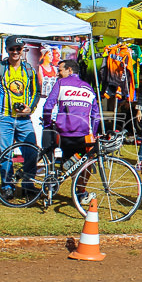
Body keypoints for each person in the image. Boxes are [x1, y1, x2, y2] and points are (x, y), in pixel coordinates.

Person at [0, 36, 40, 196]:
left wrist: (30, 108)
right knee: (5, 153)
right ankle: (8, 187)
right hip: (4, 118)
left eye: (18, 49)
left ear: (23, 50)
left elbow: (36, 92)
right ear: (7, 50)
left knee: (31, 152)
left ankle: (28, 185)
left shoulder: (29, 69)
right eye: (12, 49)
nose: (15, 52)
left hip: (23, 119)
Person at [42, 59, 100, 204]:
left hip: (63, 134)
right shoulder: (88, 88)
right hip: (84, 135)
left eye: (60, 70)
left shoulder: (61, 84)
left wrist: (48, 124)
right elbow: (96, 116)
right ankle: (80, 192)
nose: (57, 73)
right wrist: (94, 132)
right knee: (84, 162)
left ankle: (57, 184)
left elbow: (48, 107)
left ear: (70, 70)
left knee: (70, 163)